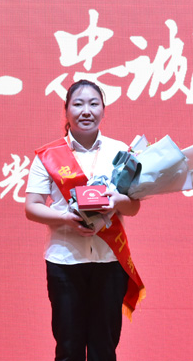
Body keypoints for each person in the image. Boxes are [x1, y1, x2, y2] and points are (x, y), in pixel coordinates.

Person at [24, 80, 145, 361]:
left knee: (105, 349)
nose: (86, 111)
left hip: (109, 261)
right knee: (68, 349)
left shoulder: (121, 151)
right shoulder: (48, 155)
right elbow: (32, 207)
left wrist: (116, 200)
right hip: (65, 262)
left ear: (103, 109)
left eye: (93, 103)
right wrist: (65, 218)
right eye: (78, 104)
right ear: (66, 111)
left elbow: (133, 207)